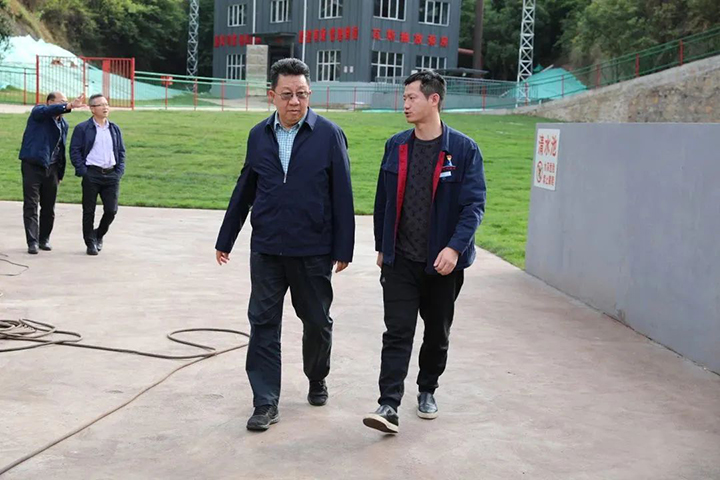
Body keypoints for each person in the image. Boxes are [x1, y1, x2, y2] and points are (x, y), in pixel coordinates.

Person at [215, 58, 355, 432]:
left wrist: (343, 247)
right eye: (288, 94)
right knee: (262, 323)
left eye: (302, 94)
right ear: (272, 96)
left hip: (313, 249)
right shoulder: (258, 135)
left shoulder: (329, 135)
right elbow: (245, 187)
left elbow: (342, 193)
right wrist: (226, 237)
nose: (296, 101)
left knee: (317, 322)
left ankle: (317, 375)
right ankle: (265, 402)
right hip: (267, 249)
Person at [363, 71, 486, 434]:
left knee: (437, 333)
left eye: (412, 98)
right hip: (400, 260)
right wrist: (382, 247)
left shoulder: (463, 149)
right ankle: (388, 404)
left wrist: (454, 248)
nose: (405, 104)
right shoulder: (396, 146)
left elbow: (473, 206)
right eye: (404, 98)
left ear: (434, 100)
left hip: (442, 265)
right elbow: (382, 201)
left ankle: (427, 389)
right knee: (397, 332)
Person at [18, 92, 85, 254]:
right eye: (61, 102)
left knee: (49, 206)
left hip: (53, 169)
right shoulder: (38, 113)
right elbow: (46, 111)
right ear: (49, 102)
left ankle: (44, 239)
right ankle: (32, 241)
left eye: (66, 102)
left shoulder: (64, 124)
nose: (64, 105)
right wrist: (69, 106)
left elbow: (61, 149)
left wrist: (60, 173)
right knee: (31, 205)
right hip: (33, 165)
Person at [69, 94, 126, 256]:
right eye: (101, 105)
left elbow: (121, 151)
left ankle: (98, 235)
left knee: (111, 210)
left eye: (106, 104)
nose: (105, 107)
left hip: (111, 174)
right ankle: (90, 242)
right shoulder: (82, 128)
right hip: (92, 174)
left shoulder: (114, 128)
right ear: (92, 109)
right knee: (89, 211)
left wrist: (119, 171)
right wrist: (83, 171)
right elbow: (75, 151)